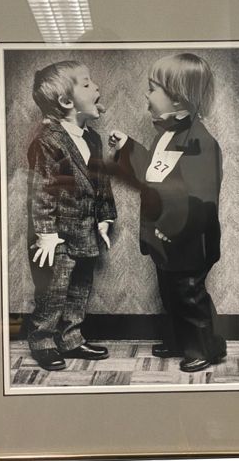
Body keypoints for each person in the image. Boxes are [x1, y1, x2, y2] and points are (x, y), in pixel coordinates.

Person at [109, 53, 226, 372]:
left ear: (178, 99)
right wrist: (128, 148)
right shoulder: (166, 136)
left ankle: (204, 347)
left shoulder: (201, 143)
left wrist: (173, 229)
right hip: (166, 241)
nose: (146, 96)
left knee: (189, 297)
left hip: (188, 241)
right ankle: (182, 340)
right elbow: (154, 171)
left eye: (152, 88)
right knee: (170, 294)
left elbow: (202, 199)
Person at [27, 60, 117, 371]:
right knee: (54, 290)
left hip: (86, 229)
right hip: (58, 234)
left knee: (80, 287)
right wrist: (46, 233)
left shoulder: (91, 138)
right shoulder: (48, 140)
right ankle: (42, 340)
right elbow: (42, 189)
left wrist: (105, 216)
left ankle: (71, 338)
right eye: (87, 83)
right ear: (66, 102)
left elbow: (101, 180)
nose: (96, 87)